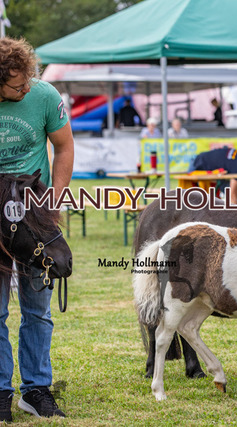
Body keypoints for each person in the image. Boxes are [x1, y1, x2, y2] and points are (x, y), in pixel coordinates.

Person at [0, 37, 73, 421]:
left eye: (29, 79)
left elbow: (64, 147)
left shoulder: (44, 95)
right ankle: (0, 392)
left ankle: (36, 390)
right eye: (17, 85)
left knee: (38, 311)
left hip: (35, 218)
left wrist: (53, 203)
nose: (26, 88)